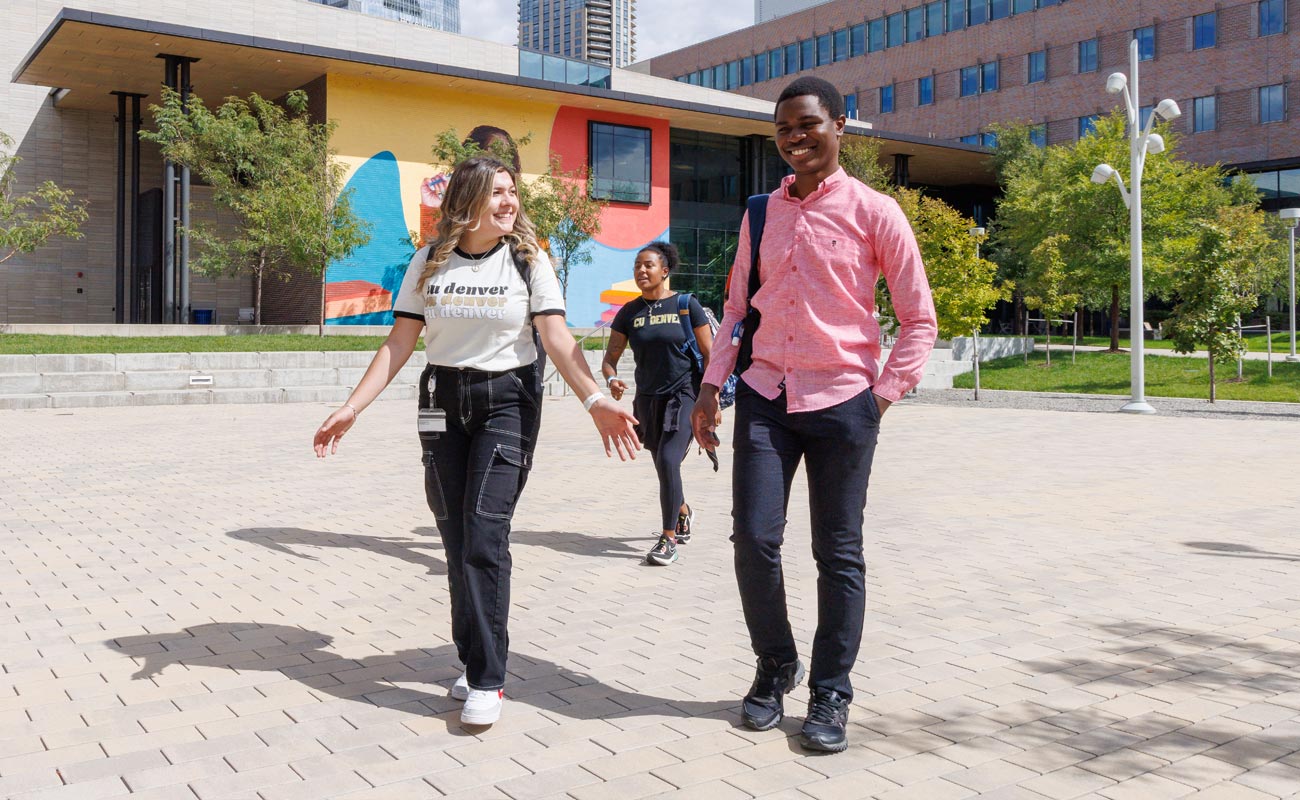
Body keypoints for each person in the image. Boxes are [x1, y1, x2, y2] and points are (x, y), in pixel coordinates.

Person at [314, 155, 639, 727]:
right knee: (456, 536)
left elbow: (558, 339)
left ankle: (488, 679)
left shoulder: (529, 260)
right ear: (466, 201)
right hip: (441, 401)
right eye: (497, 193)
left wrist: (595, 401)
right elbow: (399, 343)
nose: (509, 202)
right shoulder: (428, 261)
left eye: (513, 192)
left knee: (486, 534)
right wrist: (351, 406)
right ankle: (471, 658)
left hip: (507, 401)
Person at [690, 76, 937, 753]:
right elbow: (737, 307)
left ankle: (831, 691)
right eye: (783, 130)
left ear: (839, 126)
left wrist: (880, 398)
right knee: (754, 539)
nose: (794, 138)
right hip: (767, 395)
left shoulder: (875, 211)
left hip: (842, 404)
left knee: (838, 553)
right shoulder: (760, 213)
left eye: (807, 125)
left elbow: (919, 319)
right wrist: (711, 389)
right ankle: (775, 664)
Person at [601, 242, 712, 566]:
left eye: (648, 265)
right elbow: (610, 358)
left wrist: (711, 396)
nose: (641, 271)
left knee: (667, 460)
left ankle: (668, 539)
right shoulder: (629, 312)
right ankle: (682, 511)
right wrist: (611, 379)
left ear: (665, 270)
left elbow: (710, 353)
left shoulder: (685, 305)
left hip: (685, 396)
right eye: (637, 265)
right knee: (663, 463)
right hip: (648, 401)